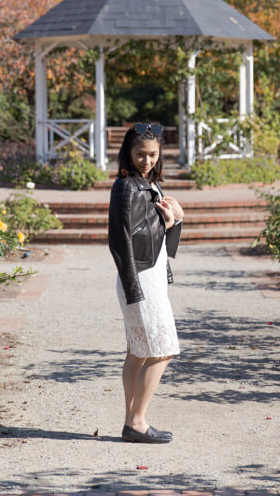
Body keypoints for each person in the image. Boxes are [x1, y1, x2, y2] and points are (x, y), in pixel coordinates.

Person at [108, 122, 184, 444]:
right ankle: (138, 421)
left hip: (150, 274)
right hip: (139, 278)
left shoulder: (150, 185)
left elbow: (165, 243)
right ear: (128, 152)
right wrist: (131, 285)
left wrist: (175, 220)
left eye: (153, 154)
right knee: (163, 351)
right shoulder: (127, 186)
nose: (147, 160)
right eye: (140, 154)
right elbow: (118, 239)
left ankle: (130, 423)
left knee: (138, 352)